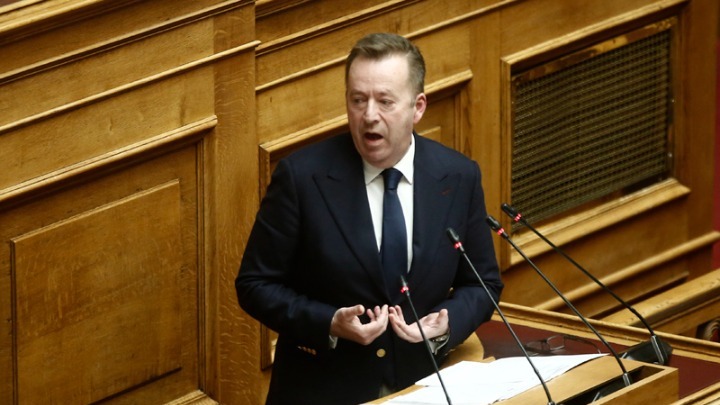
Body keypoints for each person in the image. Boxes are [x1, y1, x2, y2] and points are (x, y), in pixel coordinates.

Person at [235, 32, 503, 405]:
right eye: (358, 100)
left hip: (422, 388)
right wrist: (329, 322)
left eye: (385, 101)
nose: (369, 115)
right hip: (324, 391)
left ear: (418, 107)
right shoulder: (302, 178)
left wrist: (447, 321)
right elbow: (255, 284)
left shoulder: (457, 176)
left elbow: (482, 283)